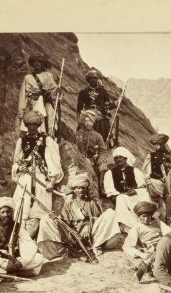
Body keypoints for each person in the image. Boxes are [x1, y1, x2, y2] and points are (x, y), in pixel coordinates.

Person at [37, 173, 120, 260]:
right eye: (78, 188)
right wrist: (55, 218)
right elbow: (64, 221)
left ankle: (96, 245)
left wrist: (88, 225)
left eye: (83, 188)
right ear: (74, 189)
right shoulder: (69, 203)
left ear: (86, 188)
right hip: (73, 235)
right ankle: (54, 251)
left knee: (110, 213)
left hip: (91, 235)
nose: (80, 190)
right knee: (46, 219)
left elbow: (99, 220)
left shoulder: (91, 202)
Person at [12, 110, 64, 238]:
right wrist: (19, 167)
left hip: (41, 177)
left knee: (41, 208)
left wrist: (52, 180)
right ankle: (22, 238)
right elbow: (17, 160)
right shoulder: (21, 141)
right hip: (26, 177)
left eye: (34, 124)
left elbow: (53, 161)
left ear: (38, 125)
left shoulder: (47, 140)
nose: (31, 127)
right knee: (22, 205)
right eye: (29, 125)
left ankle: (39, 237)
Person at [0, 197, 46, 277]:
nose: (6, 215)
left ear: (11, 213)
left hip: (15, 260)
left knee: (39, 258)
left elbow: (28, 243)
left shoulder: (17, 226)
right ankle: (9, 273)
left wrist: (21, 263)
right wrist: (4, 264)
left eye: (8, 212)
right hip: (0, 261)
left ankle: (13, 272)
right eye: (3, 212)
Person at [103, 147, 152, 232]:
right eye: (116, 158)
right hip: (121, 198)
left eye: (120, 157)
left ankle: (145, 220)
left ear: (125, 158)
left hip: (136, 197)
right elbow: (110, 191)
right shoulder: (110, 173)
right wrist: (120, 194)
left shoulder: (134, 171)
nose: (118, 160)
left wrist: (135, 191)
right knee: (121, 198)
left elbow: (143, 186)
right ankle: (128, 226)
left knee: (145, 195)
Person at [122, 201, 171, 281]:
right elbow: (127, 246)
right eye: (144, 216)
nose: (146, 218)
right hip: (150, 250)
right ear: (139, 217)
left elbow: (169, 233)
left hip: (163, 245)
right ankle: (146, 267)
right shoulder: (137, 228)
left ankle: (148, 265)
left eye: (148, 216)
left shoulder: (158, 223)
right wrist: (141, 254)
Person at [17, 52, 58, 135]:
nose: (37, 63)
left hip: (46, 105)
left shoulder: (48, 76)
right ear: (32, 64)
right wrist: (21, 112)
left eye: (39, 61)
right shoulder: (28, 78)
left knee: (47, 127)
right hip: (33, 104)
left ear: (42, 63)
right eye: (35, 61)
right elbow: (23, 96)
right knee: (32, 125)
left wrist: (51, 95)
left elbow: (55, 92)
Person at [76, 69, 115, 141]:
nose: (93, 80)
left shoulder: (103, 91)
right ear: (88, 80)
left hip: (101, 119)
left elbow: (107, 105)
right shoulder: (83, 92)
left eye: (95, 78)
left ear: (97, 79)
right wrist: (79, 121)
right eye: (91, 78)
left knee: (105, 138)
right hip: (88, 118)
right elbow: (79, 108)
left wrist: (115, 104)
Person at [75, 109, 108, 191]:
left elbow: (102, 151)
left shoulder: (97, 136)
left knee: (103, 166)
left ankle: (100, 188)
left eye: (92, 121)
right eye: (88, 120)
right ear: (84, 121)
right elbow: (72, 147)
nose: (90, 123)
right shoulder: (77, 134)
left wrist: (100, 160)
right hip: (78, 159)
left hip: (92, 161)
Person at [142, 133, 171, 221]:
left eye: (161, 144)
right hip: (155, 183)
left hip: (169, 183)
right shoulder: (151, 156)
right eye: (157, 144)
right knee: (156, 204)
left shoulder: (170, 156)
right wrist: (148, 179)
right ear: (155, 145)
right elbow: (145, 170)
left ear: (164, 144)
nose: (159, 146)